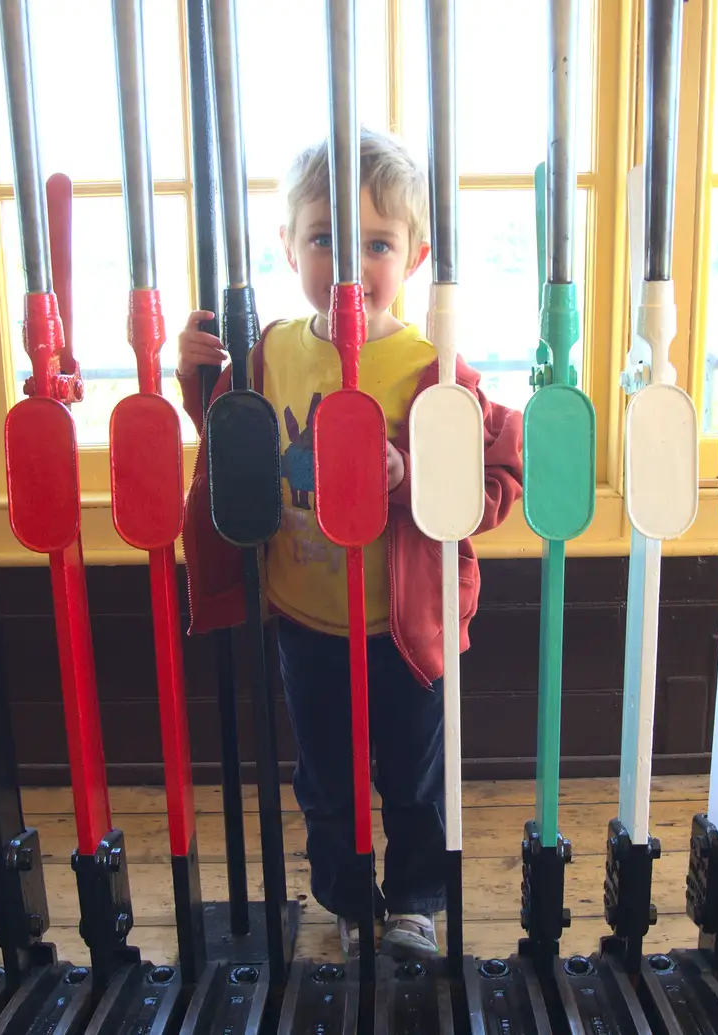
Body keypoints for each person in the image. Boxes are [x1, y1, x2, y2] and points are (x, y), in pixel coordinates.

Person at [177, 129, 523, 960]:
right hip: (307, 619)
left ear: (414, 255)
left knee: (412, 777)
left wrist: (418, 478)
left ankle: (413, 899)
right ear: (289, 247)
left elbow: (500, 471)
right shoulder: (270, 355)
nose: (348, 262)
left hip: (403, 629)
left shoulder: (432, 368)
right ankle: (344, 895)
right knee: (326, 781)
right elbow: (232, 447)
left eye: (376, 243)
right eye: (324, 237)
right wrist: (195, 377)